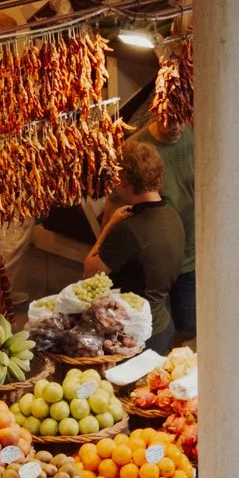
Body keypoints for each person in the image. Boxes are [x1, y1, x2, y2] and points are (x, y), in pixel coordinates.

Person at [83, 137, 184, 355]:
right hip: (163, 325)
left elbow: (90, 271)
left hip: (135, 335)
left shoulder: (127, 229)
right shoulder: (171, 214)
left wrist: (109, 225)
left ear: (125, 183)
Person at [145, 109, 198, 342]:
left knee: (189, 329)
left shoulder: (196, 136)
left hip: (190, 257)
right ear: (155, 112)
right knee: (157, 330)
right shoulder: (140, 147)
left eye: (181, 120)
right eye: (169, 121)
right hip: (157, 262)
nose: (177, 127)